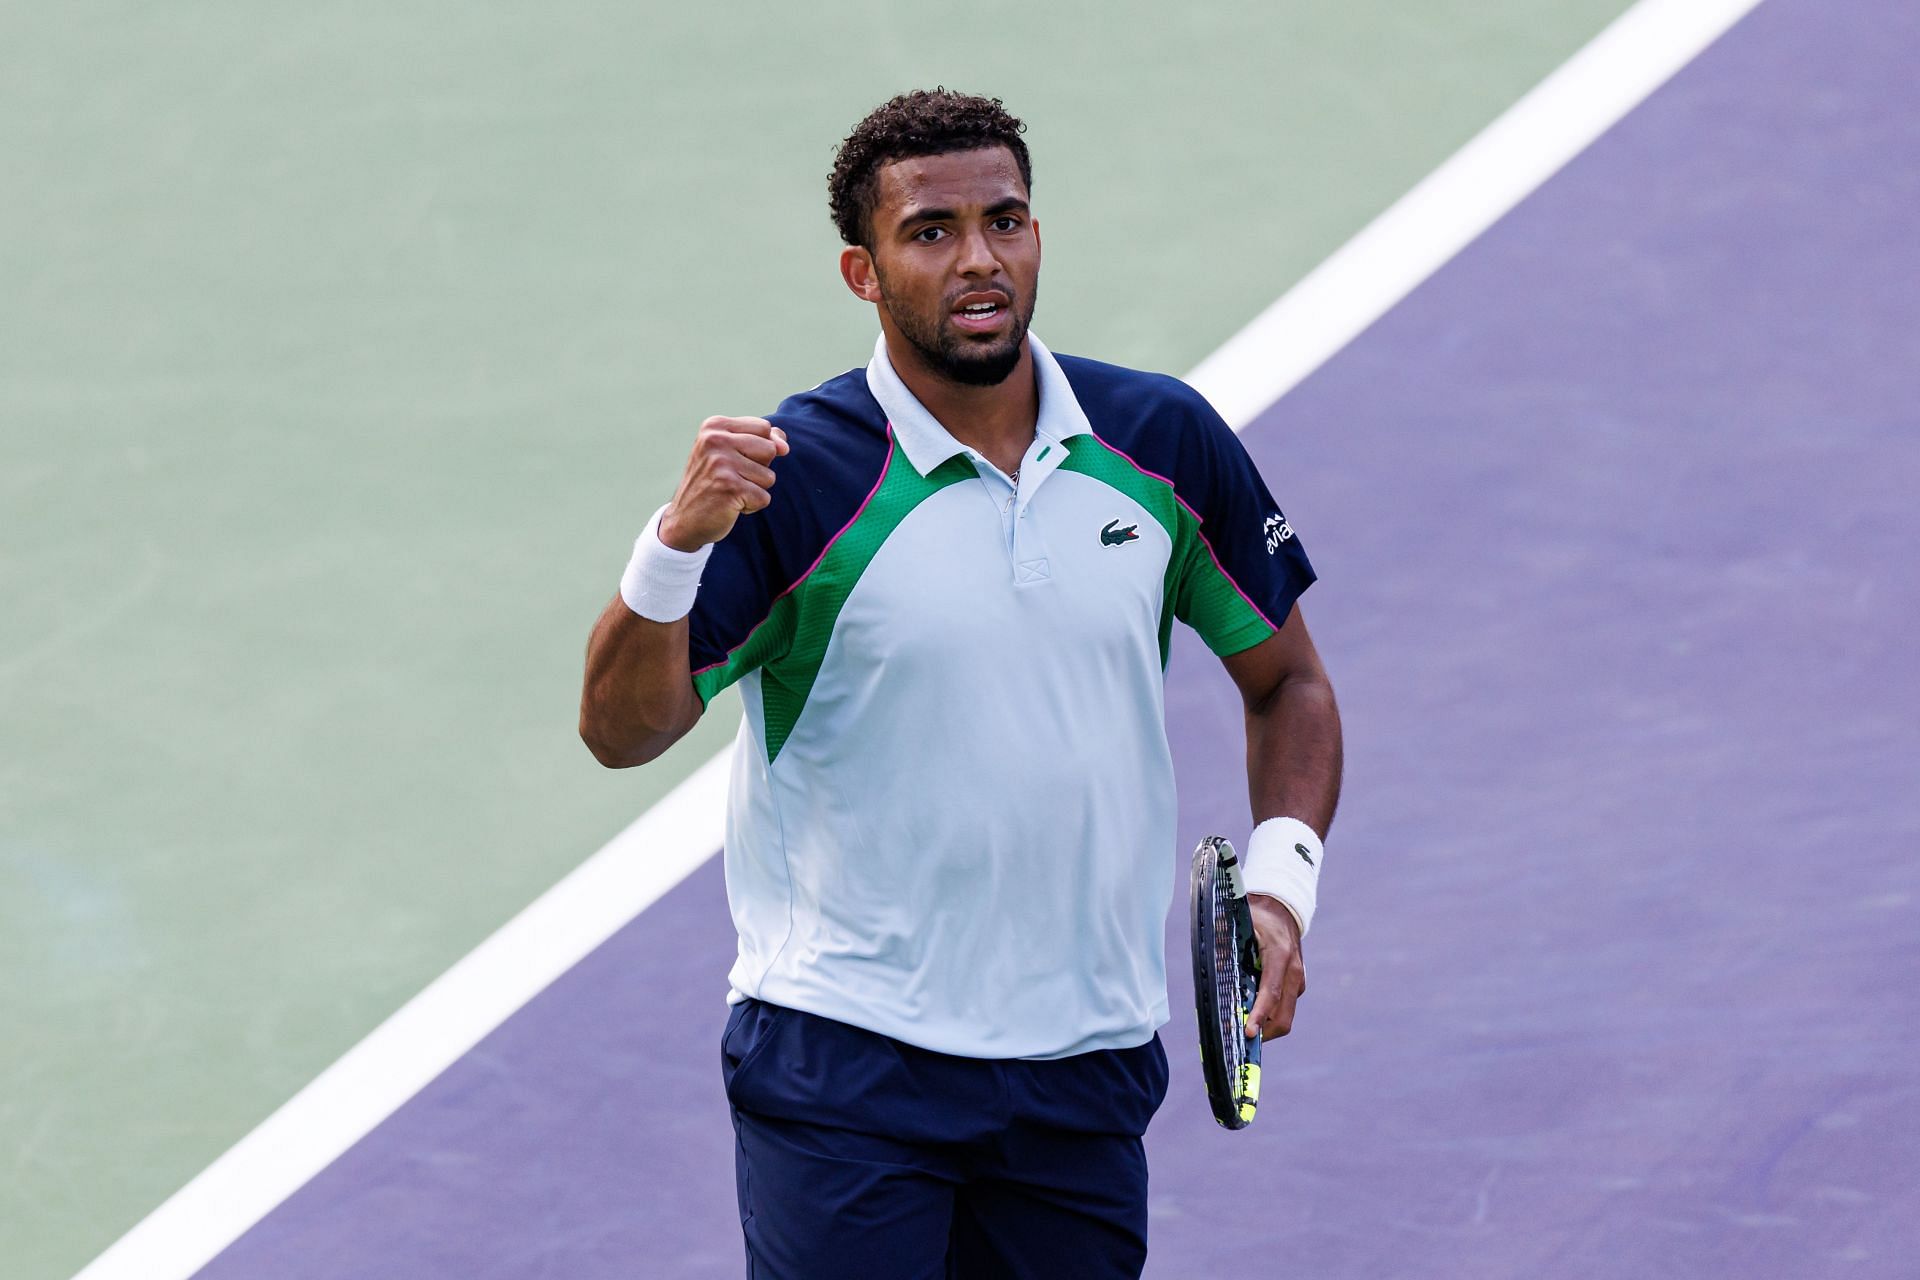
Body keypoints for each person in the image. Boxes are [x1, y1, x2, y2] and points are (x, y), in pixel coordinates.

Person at [579, 88, 1342, 1280]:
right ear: (863, 271)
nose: (979, 259)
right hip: (848, 1063)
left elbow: (1287, 679)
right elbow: (622, 732)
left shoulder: (1163, 443)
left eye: (1008, 220)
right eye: (931, 233)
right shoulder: (800, 478)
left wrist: (1285, 887)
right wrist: (674, 547)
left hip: (1083, 1061)